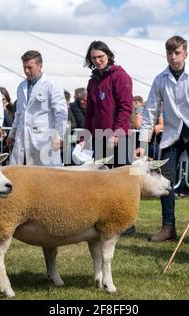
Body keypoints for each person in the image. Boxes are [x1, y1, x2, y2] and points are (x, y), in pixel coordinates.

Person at [136, 35, 189, 245]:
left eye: (177, 53)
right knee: (165, 180)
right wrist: (143, 144)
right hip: (171, 135)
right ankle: (168, 227)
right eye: (169, 53)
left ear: (185, 54)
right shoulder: (160, 79)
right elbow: (150, 111)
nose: (173, 57)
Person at [78, 40, 134, 234]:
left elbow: (126, 108)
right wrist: (86, 136)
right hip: (101, 135)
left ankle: (128, 223)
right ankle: (105, 220)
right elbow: (90, 112)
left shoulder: (121, 77)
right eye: (94, 58)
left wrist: (118, 132)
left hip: (120, 136)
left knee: (123, 181)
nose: (98, 61)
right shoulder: (93, 81)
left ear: (108, 55)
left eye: (101, 57)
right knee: (102, 179)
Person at [7, 50, 67, 166]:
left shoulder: (51, 85)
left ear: (40, 66)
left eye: (30, 67)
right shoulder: (21, 86)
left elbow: (60, 113)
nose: (26, 71)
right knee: (21, 175)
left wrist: (59, 136)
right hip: (23, 138)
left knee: (47, 176)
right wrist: (12, 134)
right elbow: (19, 113)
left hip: (44, 139)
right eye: (24, 67)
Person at [0, 87, 15, 156]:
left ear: (7, 100)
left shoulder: (12, 110)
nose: (1, 102)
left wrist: (4, 110)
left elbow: (11, 124)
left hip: (7, 142)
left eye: (3, 100)